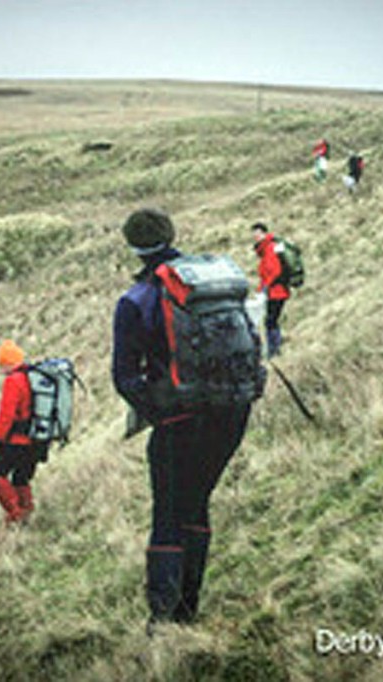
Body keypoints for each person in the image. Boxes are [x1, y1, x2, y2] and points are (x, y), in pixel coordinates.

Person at [112, 208, 255, 630]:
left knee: (169, 516)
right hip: (232, 410)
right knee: (196, 504)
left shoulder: (135, 300)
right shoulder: (212, 279)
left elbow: (124, 376)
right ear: (171, 235)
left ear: (133, 247)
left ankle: (164, 620)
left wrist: (163, 413)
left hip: (182, 420)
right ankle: (188, 609)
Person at [0, 339, 49, 525]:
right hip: (37, 440)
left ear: (8, 363)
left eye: (2, 364)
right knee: (20, 477)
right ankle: (28, 510)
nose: (1, 369)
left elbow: (6, 415)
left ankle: (16, 514)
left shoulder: (13, 381)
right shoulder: (33, 376)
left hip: (17, 441)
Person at [251, 222, 290, 358]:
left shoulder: (269, 249)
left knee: (270, 321)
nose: (255, 236)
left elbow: (274, 271)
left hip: (276, 292)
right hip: (276, 291)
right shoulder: (266, 249)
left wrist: (265, 288)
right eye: (253, 234)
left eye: (257, 233)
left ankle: (274, 351)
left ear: (264, 234)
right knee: (271, 320)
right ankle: (274, 348)